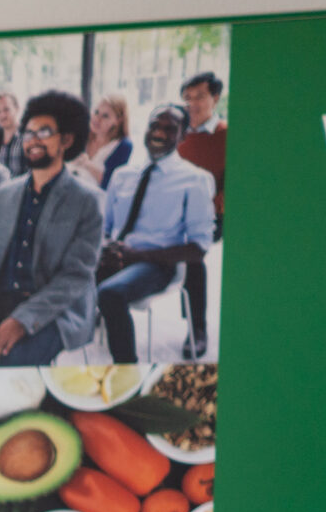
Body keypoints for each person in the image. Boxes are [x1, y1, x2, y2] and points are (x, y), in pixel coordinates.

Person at [0, 90, 103, 369]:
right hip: (1, 299)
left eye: (44, 132)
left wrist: (23, 319)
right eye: (28, 133)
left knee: (13, 364)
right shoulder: (6, 193)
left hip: (54, 311)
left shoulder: (87, 200)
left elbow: (75, 277)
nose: (32, 140)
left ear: (67, 140)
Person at [94, 104, 216, 364]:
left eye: (169, 129)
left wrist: (138, 255)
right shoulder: (122, 175)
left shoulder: (195, 180)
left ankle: (127, 370)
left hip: (157, 265)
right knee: (60, 274)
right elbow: (103, 227)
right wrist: (105, 247)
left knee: (110, 294)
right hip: (116, 257)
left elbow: (198, 248)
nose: (159, 133)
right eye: (154, 126)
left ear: (183, 136)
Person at [177, 72, 228, 360]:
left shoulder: (226, 135)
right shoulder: (178, 134)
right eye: (188, 98)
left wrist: (205, 207)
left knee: (191, 250)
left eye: (199, 97)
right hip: (176, 213)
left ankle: (197, 329)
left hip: (214, 215)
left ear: (215, 98)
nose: (192, 104)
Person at [75, 92, 133, 192]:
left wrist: (86, 164)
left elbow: (110, 184)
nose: (97, 119)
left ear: (118, 120)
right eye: (96, 112)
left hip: (96, 198)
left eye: (105, 116)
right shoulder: (83, 132)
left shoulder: (123, 146)